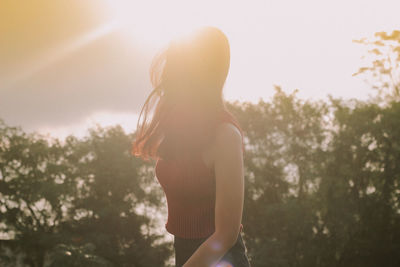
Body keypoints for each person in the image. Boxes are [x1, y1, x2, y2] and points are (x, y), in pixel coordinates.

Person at [132, 26, 251, 267]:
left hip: (221, 260)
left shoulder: (225, 135)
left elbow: (225, 235)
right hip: (185, 255)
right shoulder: (179, 125)